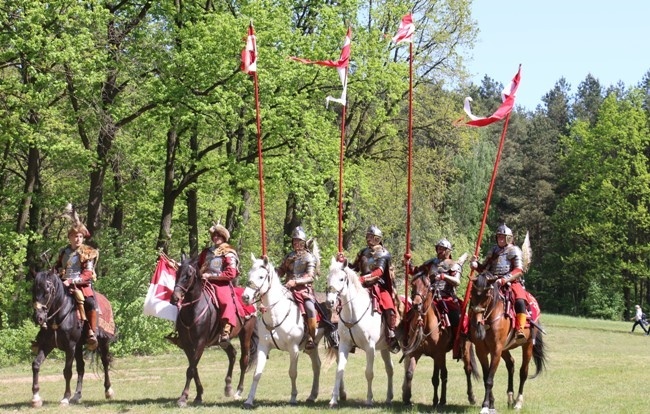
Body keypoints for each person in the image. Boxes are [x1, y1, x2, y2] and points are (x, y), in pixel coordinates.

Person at [342, 225, 398, 350]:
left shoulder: (383, 253)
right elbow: (354, 268)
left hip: (379, 285)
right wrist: (343, 262)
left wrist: (362, 278)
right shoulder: (363, 252)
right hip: (362, 286)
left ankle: (391, 333)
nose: (368, 239)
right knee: (345, 301)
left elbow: (379, 272)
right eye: (367, 236)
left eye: (371, 237)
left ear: (377, 239)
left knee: (389, 308)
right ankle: (345, 334)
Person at [470, 223, 528, 340]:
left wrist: (504, 279)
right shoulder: (493, 251)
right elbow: (485, 268)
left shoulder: (514, 250)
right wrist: (475, 265)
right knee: (476, 297)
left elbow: (518, 270)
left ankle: (519, 328)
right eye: (499, 237)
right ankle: (470, 326)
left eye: (503, 237)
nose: (500, 239)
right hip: (491, 281)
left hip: (510, 282)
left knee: (520, 301)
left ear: (508, 238)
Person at [55, 206, 99, 350]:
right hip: (63, 285)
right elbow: (57, 267)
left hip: (81, 286)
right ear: (70, 237)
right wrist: (56, 274)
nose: (78, 239)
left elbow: (88, 274)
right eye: (75, 236)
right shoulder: (64, 251)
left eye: (80, 236)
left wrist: (71, 281)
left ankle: (91, 332)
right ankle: (43, 334)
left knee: (91, 303)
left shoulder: (88, 252)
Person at [408, 238, 462, 344]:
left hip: (446, 295)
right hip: (429, 294)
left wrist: (443, 276)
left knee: (457, 316)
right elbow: (418, 272)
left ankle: (458, 341)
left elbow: (457, 281)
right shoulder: (431, 263)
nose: (440, 251)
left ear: (448, 251)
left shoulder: (453, 265)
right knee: (410, 313)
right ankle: (407, 337)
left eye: (442, 249)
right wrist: (409, 266)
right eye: (439, 248)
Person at [276, 226, 319, 350]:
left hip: (303, 290)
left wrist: (295, 282)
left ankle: (311, 336)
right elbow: (281, 271)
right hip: (287, 289)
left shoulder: (309, 257)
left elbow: (310, 277)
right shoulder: (289, 256)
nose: (296, 243)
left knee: (310, 308)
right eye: (294, 241)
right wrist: (270, 271)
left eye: (298, 241)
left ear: (303, 242)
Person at [198, 223, 240, 344]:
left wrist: (211, 276)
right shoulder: (207, 252)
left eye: (218, 235)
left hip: (220, 283)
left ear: (223, 237)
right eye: (214, 235)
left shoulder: (229, 252)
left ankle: (225, 330)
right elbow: (197, 265)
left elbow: (231, 273)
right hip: (202, 281)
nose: (215, 237)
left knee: (225, 300)